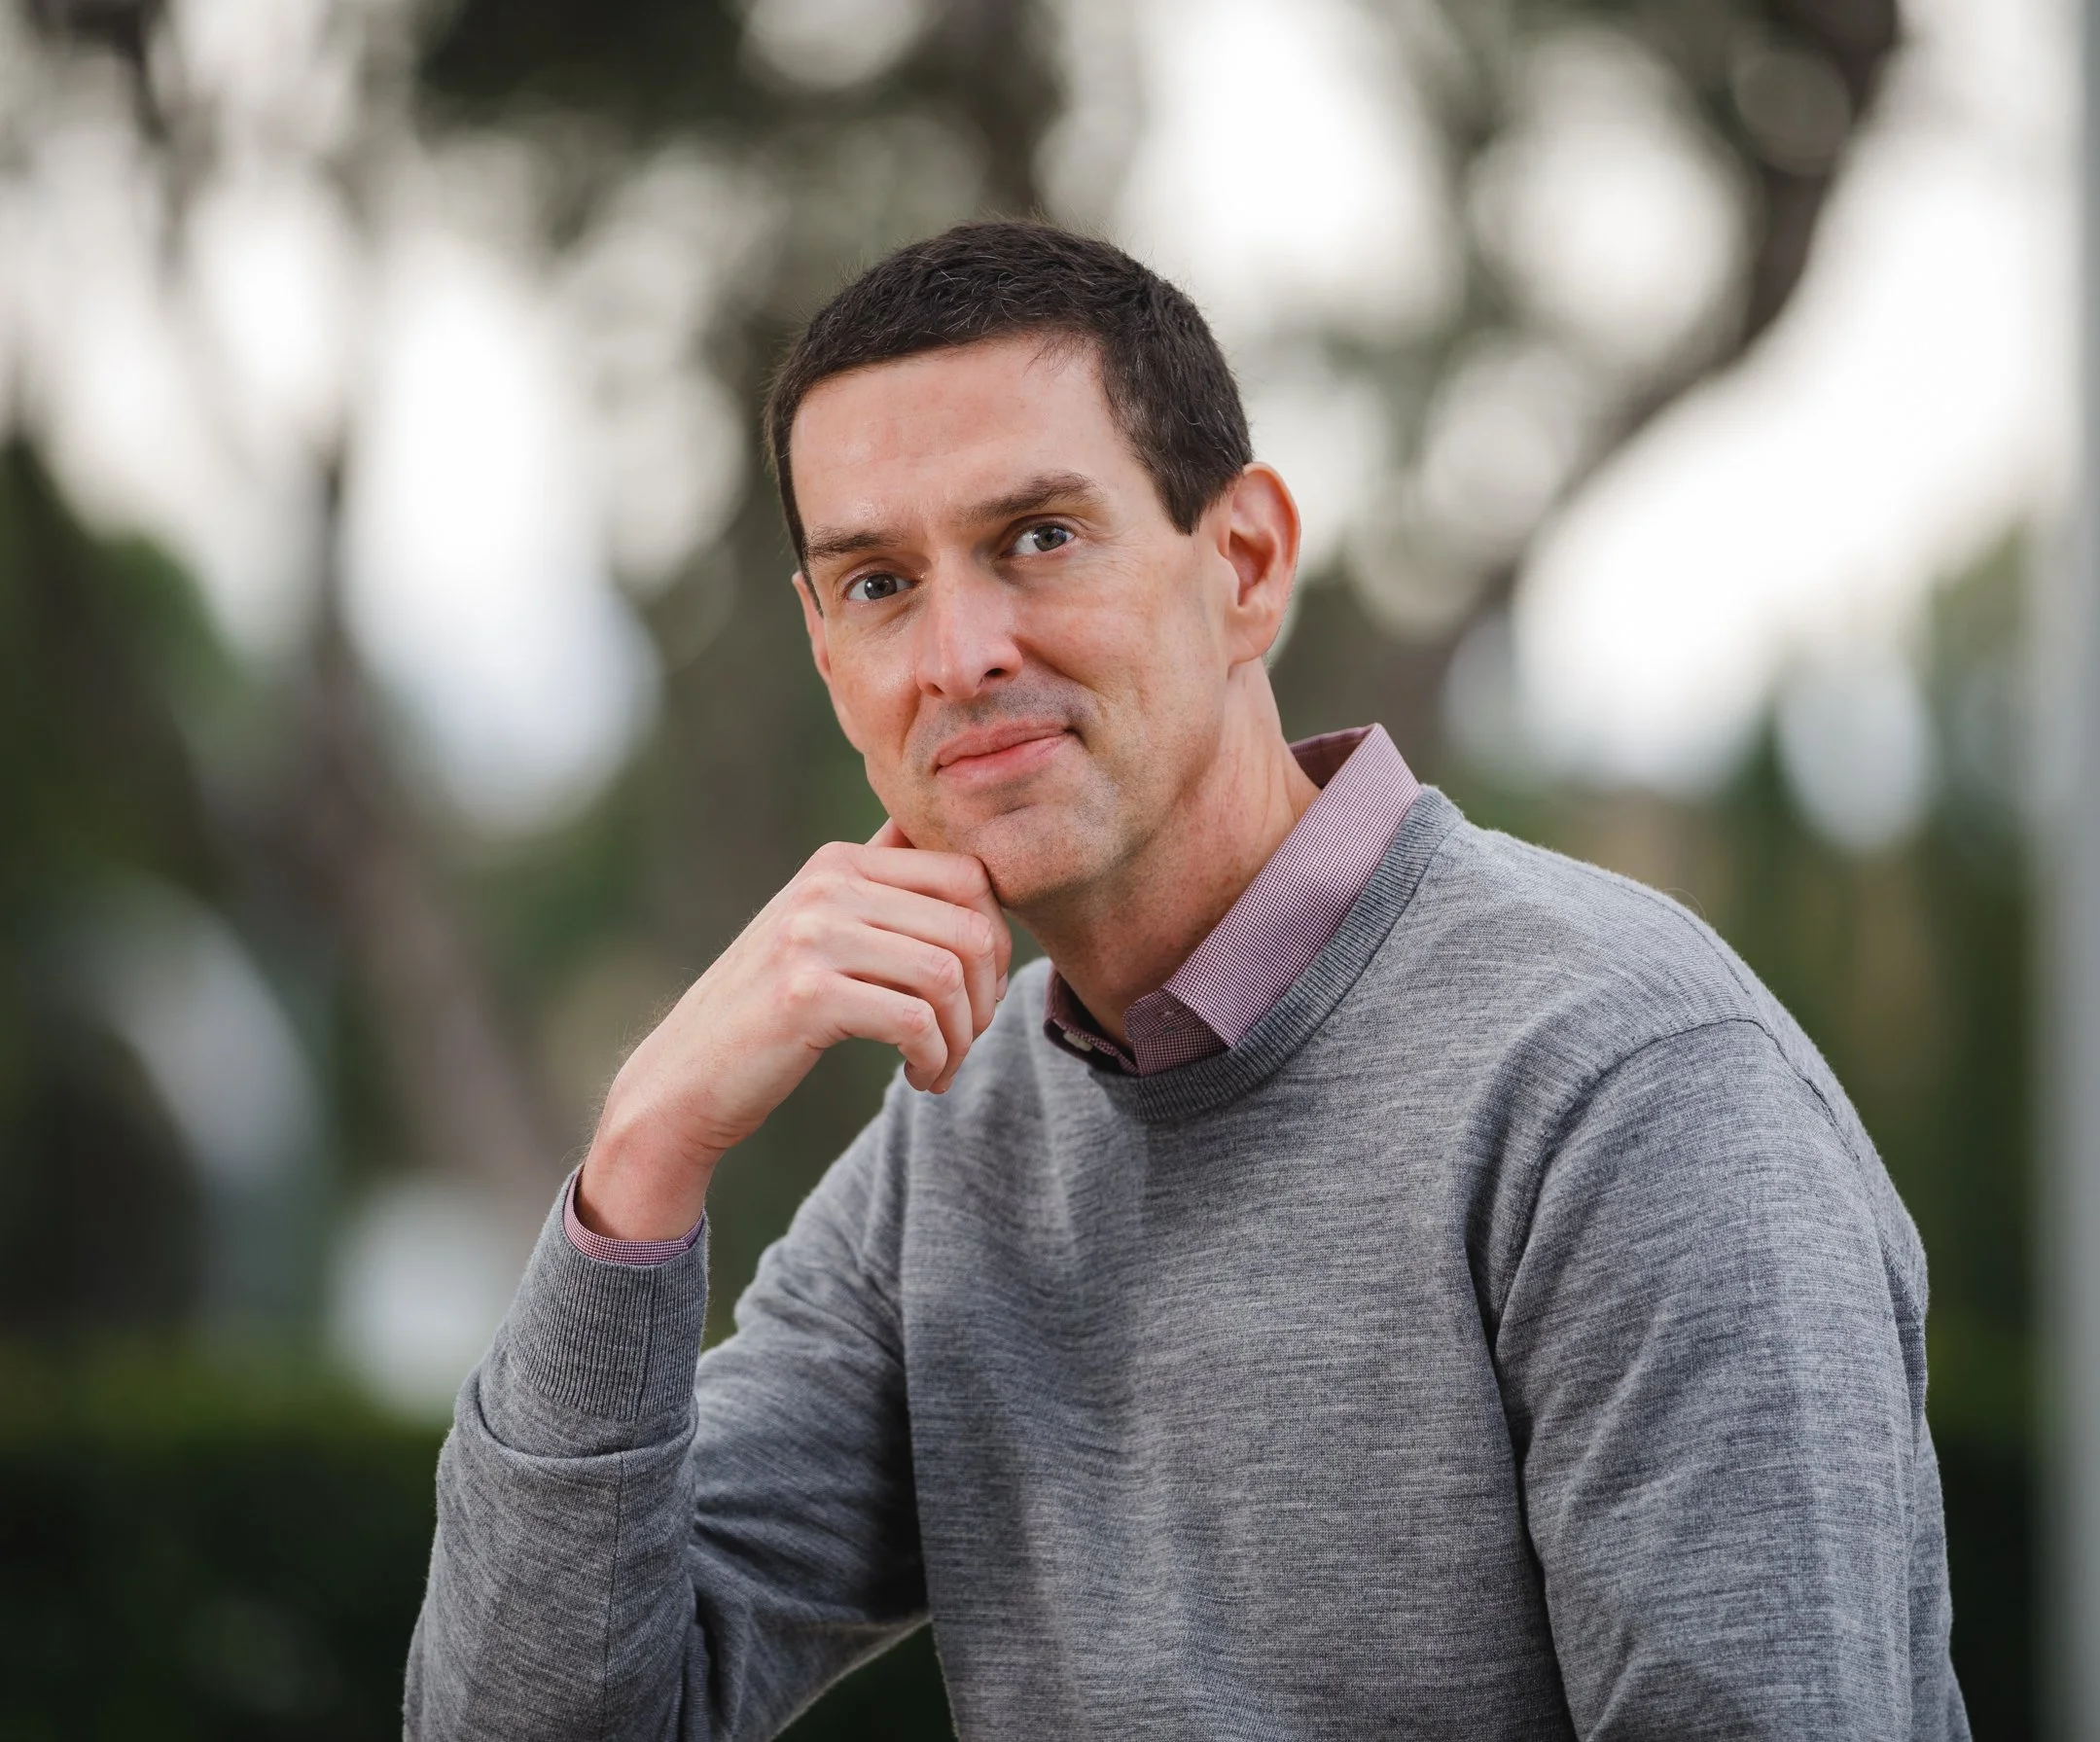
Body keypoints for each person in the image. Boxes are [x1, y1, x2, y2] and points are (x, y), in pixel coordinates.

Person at [406, 220, 1969, 1741]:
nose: (958, 654)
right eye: (880, 584)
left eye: (1037, 538)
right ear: (830, 656)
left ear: (1243, 563)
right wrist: (641, 1162)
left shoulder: (1629, 1088)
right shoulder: (964, 1139)